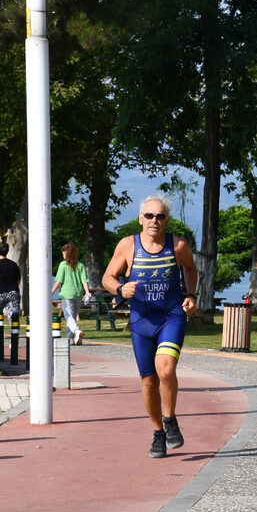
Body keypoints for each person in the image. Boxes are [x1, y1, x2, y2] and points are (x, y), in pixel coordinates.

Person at [103, 194, 198, 459]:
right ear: (140, 219)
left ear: (167, 220)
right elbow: (108, 277)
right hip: (142, 321)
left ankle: (170, 419)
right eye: (149, 215)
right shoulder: (127, 246)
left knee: (165, 368)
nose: (154, 220)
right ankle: (158, 433)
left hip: (171, 316)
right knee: (148, 381)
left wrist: (190, 296)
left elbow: (191, 270)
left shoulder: (178, 245)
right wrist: (121, 288)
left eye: (160, 216)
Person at [51, 242, 91, 345]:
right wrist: (87, 292)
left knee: (68, 316)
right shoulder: (80, 265)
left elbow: (59, 281)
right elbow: (84, 280)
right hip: (78, 294)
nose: (62, 255)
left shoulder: (63, 265)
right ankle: (71, 338)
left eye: (63, 253)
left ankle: (77, 331)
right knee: (72, 316)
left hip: (66, 294)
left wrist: (50, 292)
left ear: (67, 254)